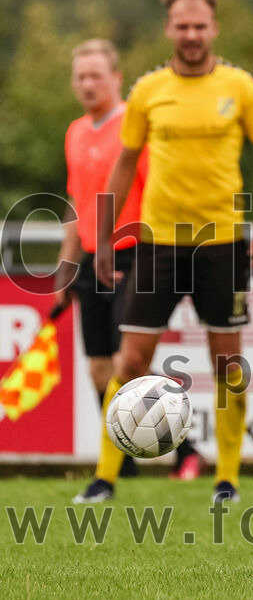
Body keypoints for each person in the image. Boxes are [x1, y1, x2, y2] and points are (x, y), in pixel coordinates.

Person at [73, 0, 253, 505]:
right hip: (158, 245)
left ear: (214, 28)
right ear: (168, 29)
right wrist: (103, 237)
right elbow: (125, 165)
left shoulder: (241, 87)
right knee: (130, 362)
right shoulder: (148, 91)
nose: (191, 34)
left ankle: (228, 479)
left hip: (221, 244)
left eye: (199, 25)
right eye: (181, 26)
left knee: (227, 363)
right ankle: (104, 478)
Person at [58, 39, 144, 490]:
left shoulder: (135, 123)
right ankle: (126, 459)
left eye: (96, 75)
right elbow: (77, 204)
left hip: (133, 251)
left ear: (116, 77)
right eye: (80, 76)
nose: (88, 84)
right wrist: (65, 266)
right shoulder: (75, 131)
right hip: (92, 258)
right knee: (97, 366)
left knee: (127, 360)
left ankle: (181, 451)